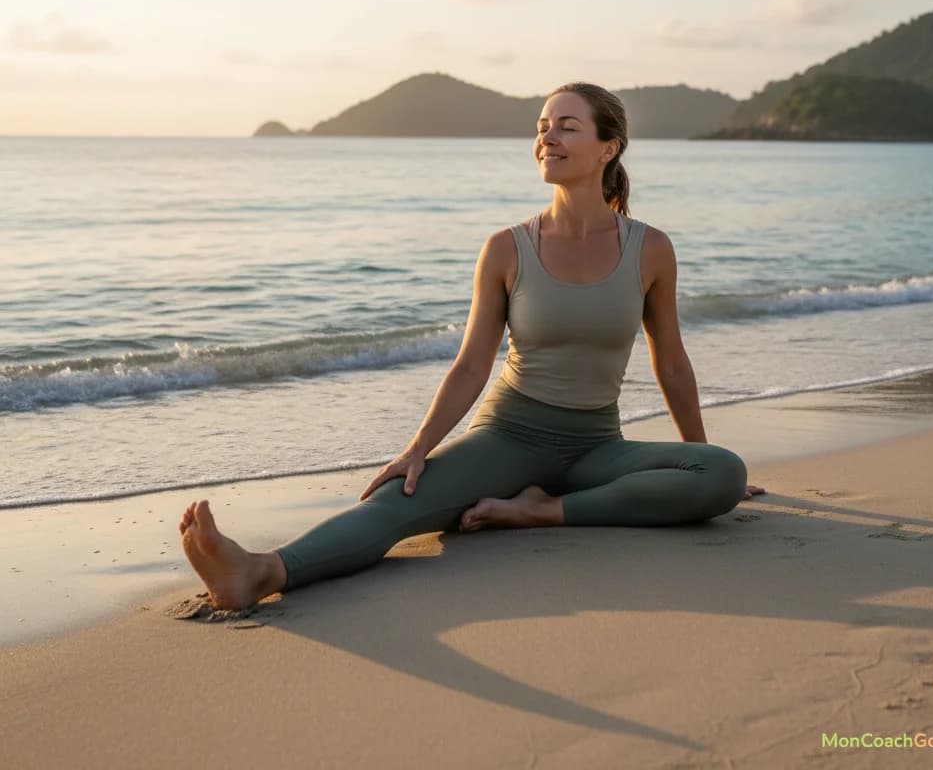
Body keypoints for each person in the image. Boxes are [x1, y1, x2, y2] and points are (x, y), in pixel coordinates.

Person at [179, 82, 765, 610]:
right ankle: (260, 571)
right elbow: (471, 364)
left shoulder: (650, 249)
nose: (547, 138)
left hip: (596, 447)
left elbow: (671, 361)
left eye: (566, 127)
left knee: (722, 475)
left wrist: (695, 452)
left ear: (608, 148)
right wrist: (418, 448)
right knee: (394, 505)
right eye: (542, 127)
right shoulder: (507, 249)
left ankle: (541, 511)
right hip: (509, 437)